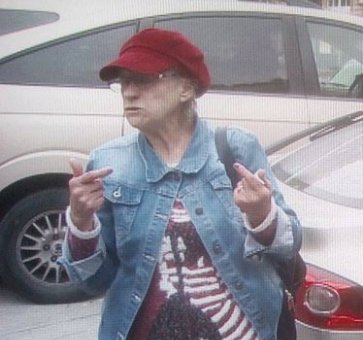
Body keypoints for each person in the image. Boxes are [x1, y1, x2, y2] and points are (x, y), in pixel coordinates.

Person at [59, 28, 302, 340]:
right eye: (123, 82)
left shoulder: (234, 149)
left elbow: (289, 244)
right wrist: (80, 223)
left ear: (186, 88)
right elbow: (92, 281)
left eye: (143, 79)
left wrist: (262, 215)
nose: (129, 92)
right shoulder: (109, 165)